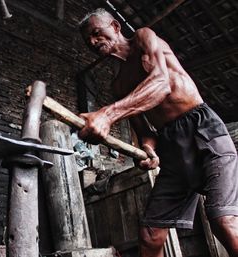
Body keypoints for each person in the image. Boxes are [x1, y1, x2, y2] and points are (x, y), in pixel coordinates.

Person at [78, 8, 238, 257]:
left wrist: (106, 115)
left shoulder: (143, 37)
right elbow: (145, 133)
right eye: (88, 39)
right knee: (150, 235)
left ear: (116, 27)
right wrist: (148, 150)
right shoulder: (118, 85)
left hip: (202, 129)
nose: (93, 41)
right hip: (171, 146)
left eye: (97, 33)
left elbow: (161, 83)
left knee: (223, 220)